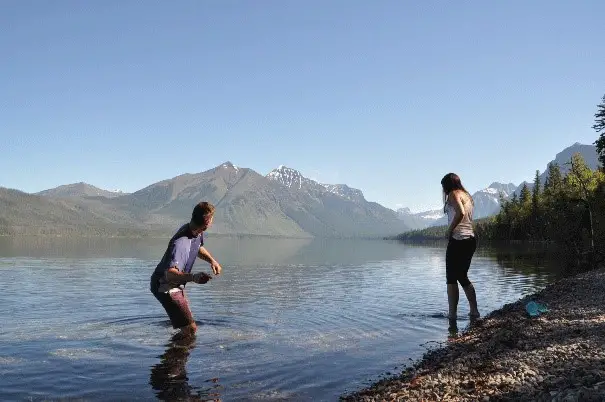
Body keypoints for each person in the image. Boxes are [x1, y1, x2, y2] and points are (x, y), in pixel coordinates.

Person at [150, 201, 222, 339]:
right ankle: (173, 359)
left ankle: (175, 352)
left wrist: (212, 260)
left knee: (187, 326)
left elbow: (197, 247)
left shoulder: (196, 230)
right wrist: (194, 277)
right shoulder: (181, 242)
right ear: (207, 223)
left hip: (174, 284)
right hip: (165, 286)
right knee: (190, 330)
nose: (212, 222)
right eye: (212, 219)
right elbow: (170, 273)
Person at [441, 173, 479, 331]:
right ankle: (474, 311)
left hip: (458, 240)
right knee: (462, 276)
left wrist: (450, 230)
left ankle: (452, 315)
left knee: (451, 278)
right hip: (470, 239)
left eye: (443, 186)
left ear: (448, 185)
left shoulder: (453, 194)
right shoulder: (467, 195)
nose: (442, 190)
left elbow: (461, 212)